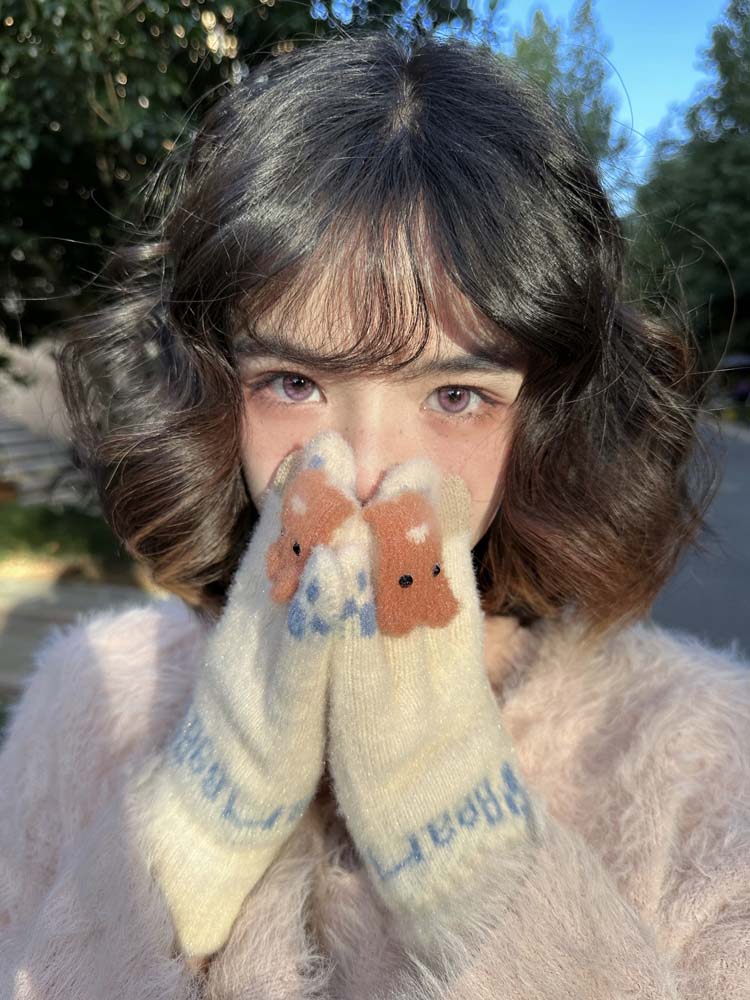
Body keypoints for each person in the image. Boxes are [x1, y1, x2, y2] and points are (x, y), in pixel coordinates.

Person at [1, 27, 748, 1000]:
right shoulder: (89, 706)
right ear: (213, 383)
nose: (360, 474)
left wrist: (463, 839)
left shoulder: (705, 760)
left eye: (456, 395)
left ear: (546, 414)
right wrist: (200, 817)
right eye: (294, 382)